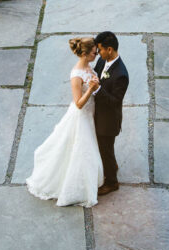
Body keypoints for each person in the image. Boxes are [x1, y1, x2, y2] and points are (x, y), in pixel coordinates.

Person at [26, 37, 104, 207]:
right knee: (82, 151)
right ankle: (79, 188)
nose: (96, 54)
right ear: (84, 54)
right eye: (93, 52)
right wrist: (91, 88)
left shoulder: (88, 66)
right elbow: (78, 104)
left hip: (91, 114)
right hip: (81, 117)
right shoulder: (76, 75)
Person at [92, 31, 128, 197]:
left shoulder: (121, 74)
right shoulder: (102, 60)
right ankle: (111, 167)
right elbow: (96, 73)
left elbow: (115, 101)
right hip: (98, 114)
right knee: (105, 149)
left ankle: (112, 182)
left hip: (108, 120)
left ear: (110, 49)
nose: (98, 53)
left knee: (105, 149)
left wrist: (98, 89)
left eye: (100, 50)